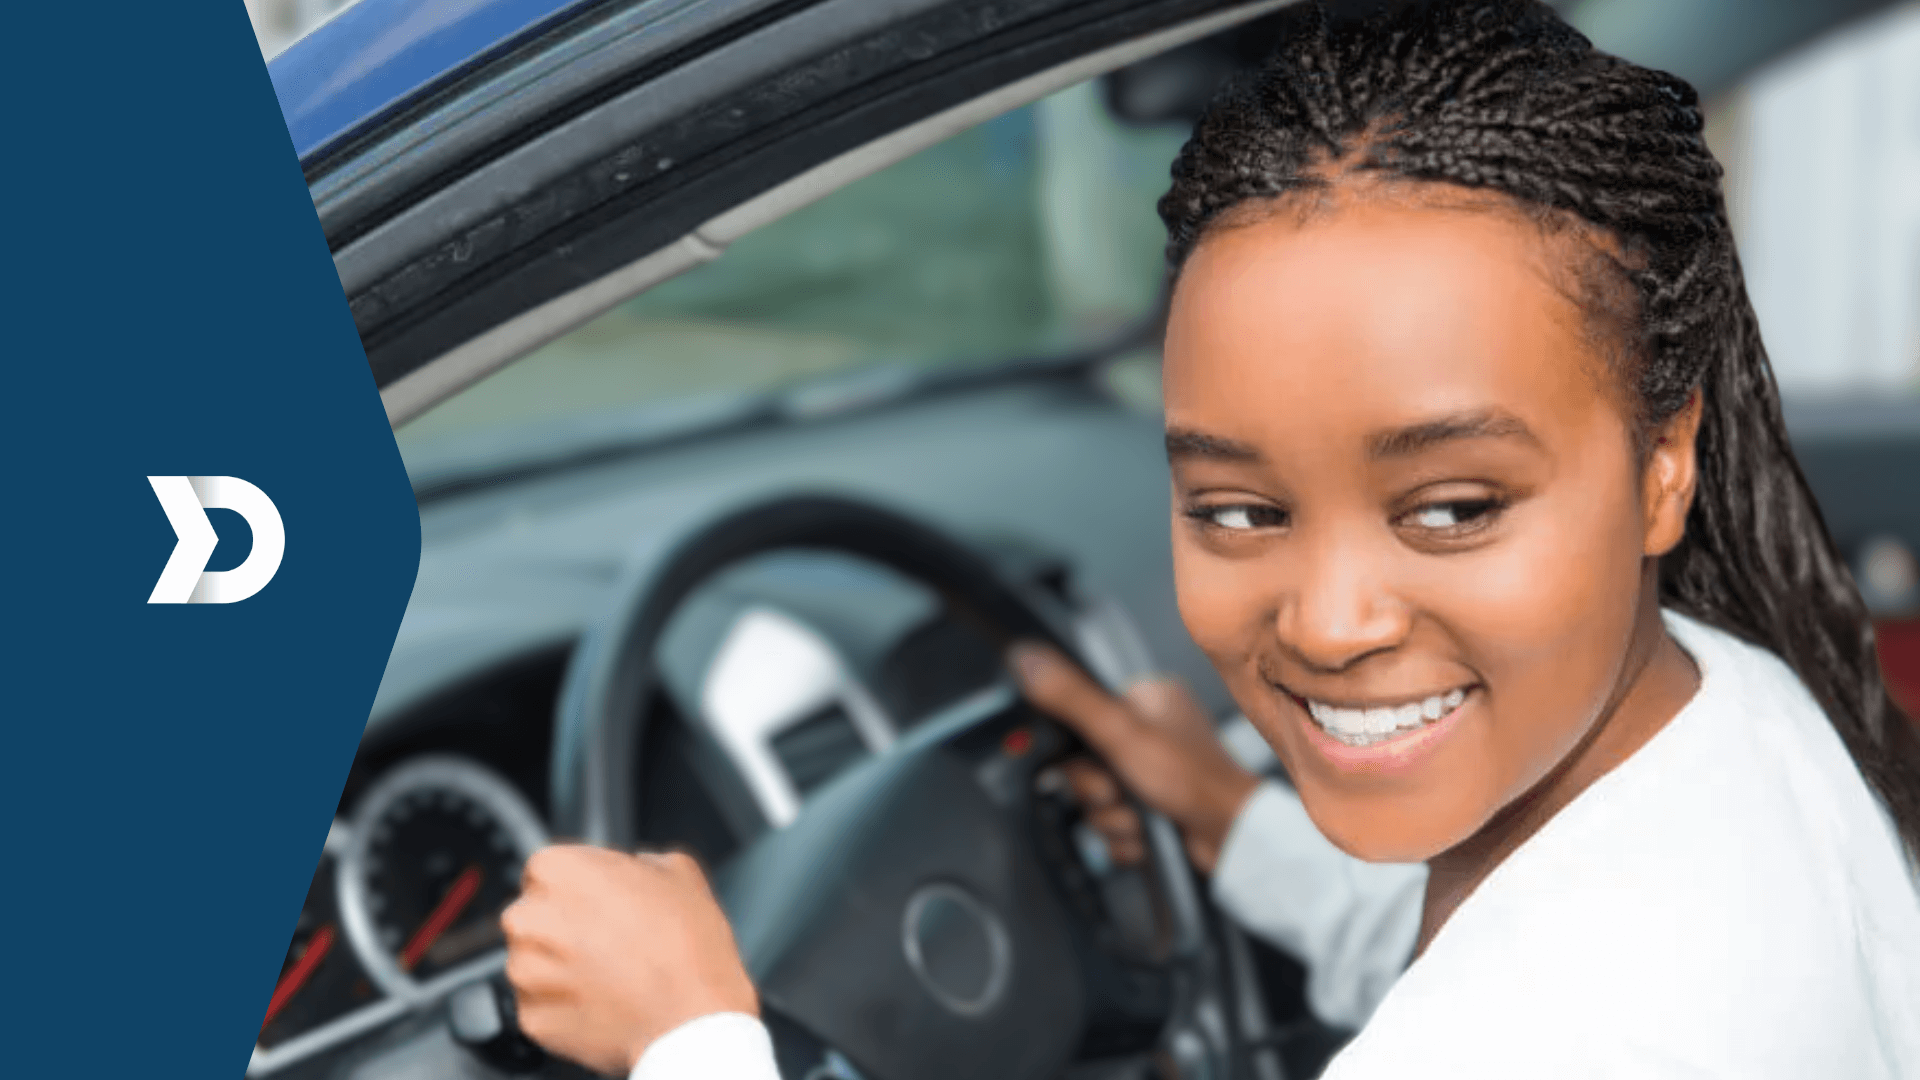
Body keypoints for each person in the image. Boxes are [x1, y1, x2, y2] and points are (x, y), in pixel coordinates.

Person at [496, 1, 1920, 1077]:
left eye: (1453, 509)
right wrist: (1237, 829)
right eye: (1241, 511)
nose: (1330, 619)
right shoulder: (1725, 702)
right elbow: (1474, 939)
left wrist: (693, 1034)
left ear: (1665, 466)